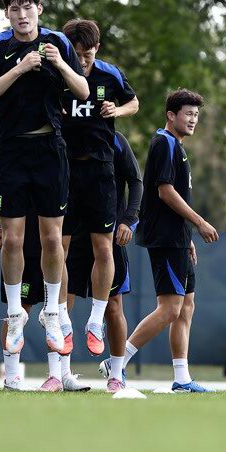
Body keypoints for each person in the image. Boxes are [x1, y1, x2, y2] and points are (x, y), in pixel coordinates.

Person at [0, 0, 89, 359]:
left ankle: (52, 311)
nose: (22, 15)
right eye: (15, 9)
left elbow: (83, 91)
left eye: (28, 7)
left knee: (53, 238)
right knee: (12, 239)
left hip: (50, 149)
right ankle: (14, 313)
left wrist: (60, 63)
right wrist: (20, 69)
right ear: (7, 13)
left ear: (39, 9)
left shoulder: (59, 42)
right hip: (11, 148)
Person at [122, 89, 218, 393]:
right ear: (171, 115)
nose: (193, 119)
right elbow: (165, 192)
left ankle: (182, 378)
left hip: (177, 237)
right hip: (164, 237)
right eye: (188, 113)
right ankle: (117, 362)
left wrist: (187, 236)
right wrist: (199, 222)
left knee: (186, 305)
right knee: (169, 309)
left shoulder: (177, 145)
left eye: (196, 115)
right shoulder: (164, 143)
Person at [59, 18, 138, 357]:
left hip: (100, 170)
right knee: (58, 248)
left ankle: (95, 320)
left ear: (97, 50)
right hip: (64, 170)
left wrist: (117, 109)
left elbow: (134, 103)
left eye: (87, 54)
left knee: (103, 248)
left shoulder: (110, 75)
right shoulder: (57, 74)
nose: (82, 61)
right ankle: (60, 318)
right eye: (76, 54)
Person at [72, 130, 142, 392]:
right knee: (63, 301)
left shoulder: (116, 140)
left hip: (108, 234)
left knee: (114, 305)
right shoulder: (68, 133)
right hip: (74, 234)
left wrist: (129, 219)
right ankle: (59, 373)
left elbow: (136, 181)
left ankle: (116, 372)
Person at [0, 212, 49, 390]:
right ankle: (11, 376)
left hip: (50, 248)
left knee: (57, 307)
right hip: (24, 250)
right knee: (18, 310)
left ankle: (59, 374)